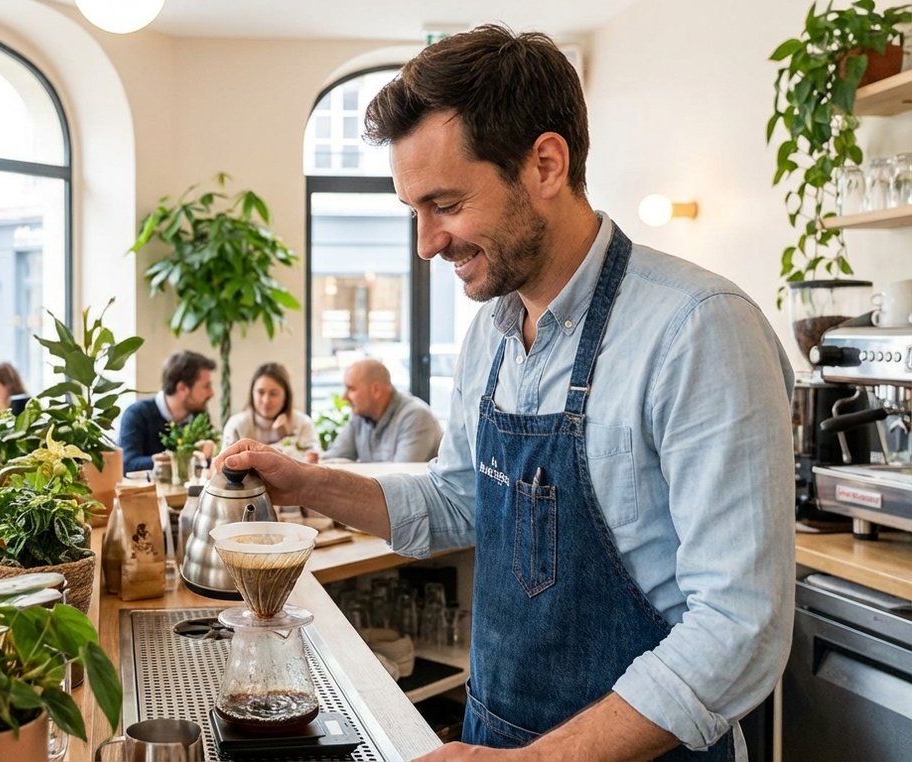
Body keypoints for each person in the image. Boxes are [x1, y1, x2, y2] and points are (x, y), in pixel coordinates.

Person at [216, 26, 793, 761]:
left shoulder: (698, 330)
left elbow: (740, 629)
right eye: (413, 211)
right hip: (499, 734)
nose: (426, 243)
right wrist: (308, 482)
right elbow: (459, 499)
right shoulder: (491, 331)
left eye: (446, 203)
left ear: (546, 164)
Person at [322, 359, 442, 462]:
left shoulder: (416, 417)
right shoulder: (360, 417)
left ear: (376, 390)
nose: (344, 397)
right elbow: (333, 459)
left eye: (351, 389)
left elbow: (400, 479)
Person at [118, 350, 216, 474]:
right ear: (182, 388)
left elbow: (203, 466)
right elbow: (128, 464)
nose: (211, 393)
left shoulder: (199, 415)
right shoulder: (137, 414)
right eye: (206, 386)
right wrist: (180, 457)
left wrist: (209, 454)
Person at [222, 362, 319, 461]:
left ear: (286, 396)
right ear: (252, 394)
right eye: (260, 392)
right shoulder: (237, 424)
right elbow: (224, 465)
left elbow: (313, 461)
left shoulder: (302, 423)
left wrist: (287, 438)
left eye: (274, 394)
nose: (266, 400)